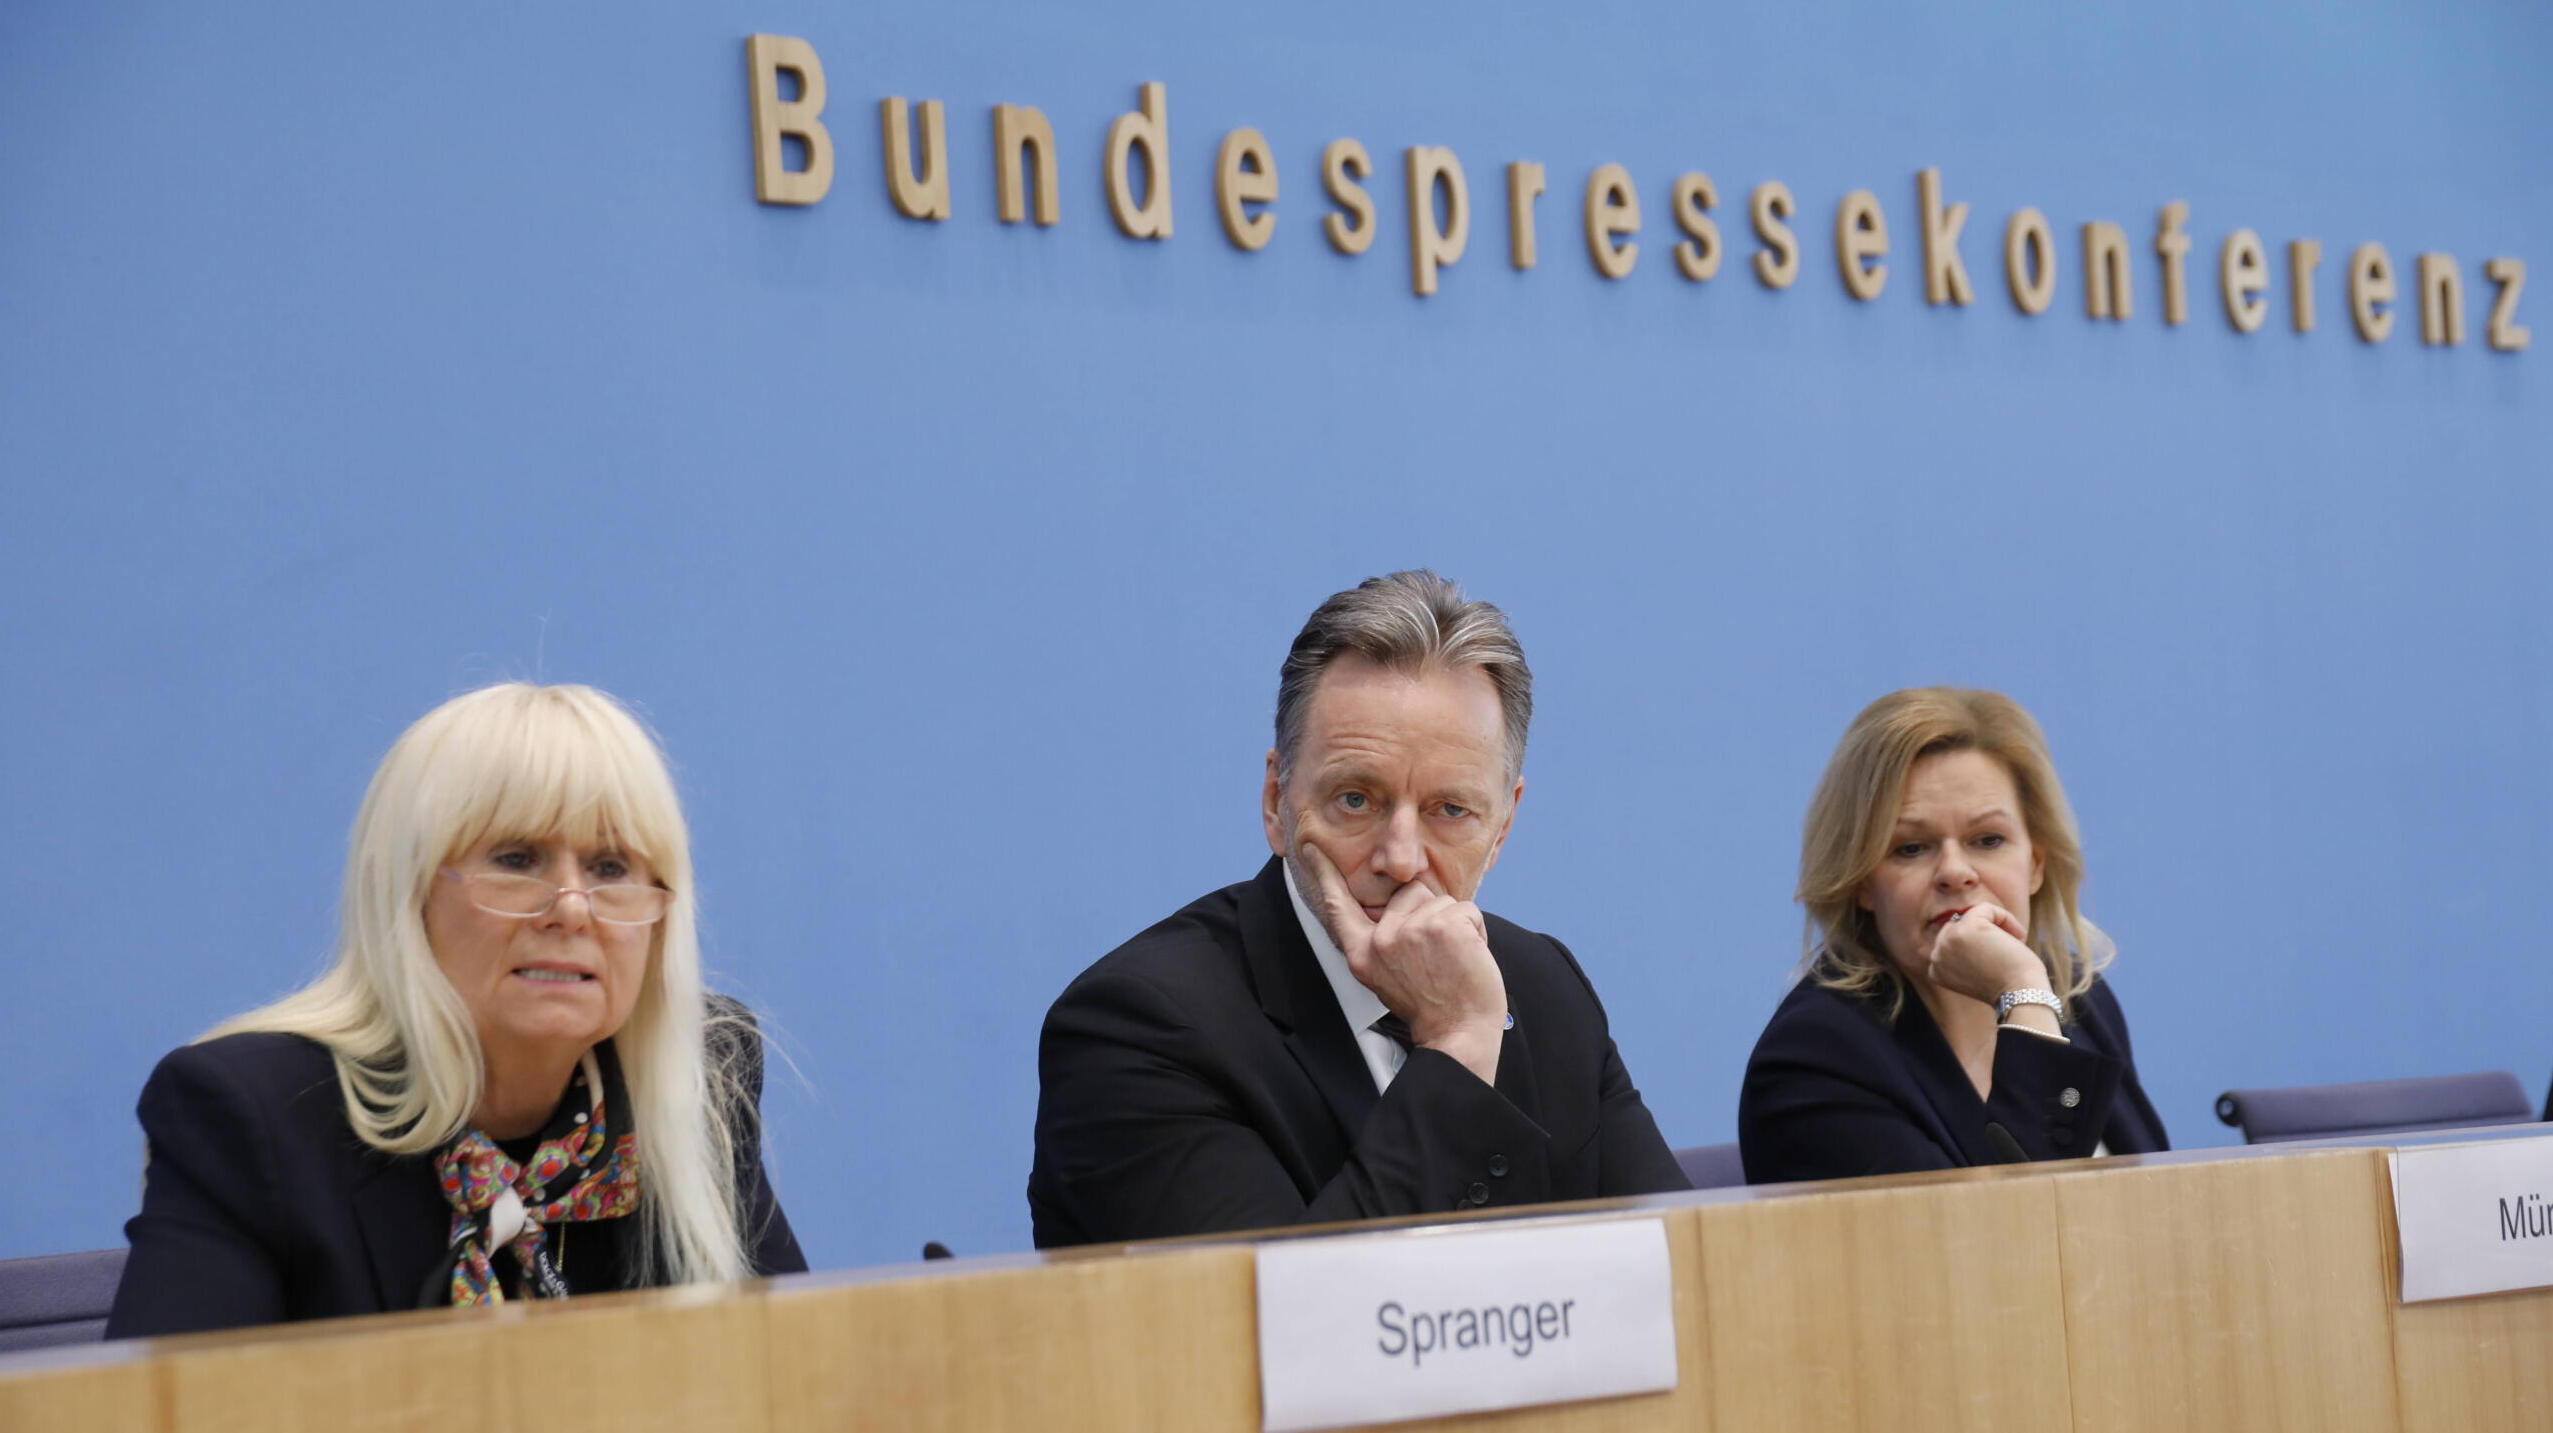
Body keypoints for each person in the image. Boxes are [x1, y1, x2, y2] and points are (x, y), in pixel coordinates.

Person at [107, 683, 805, 1336]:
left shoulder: (698, 1074)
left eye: (611, 868)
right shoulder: (252, 1115)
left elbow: (801, 1388)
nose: (570, 907)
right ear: (409, 899)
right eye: (516, 856)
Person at [1029, 571, 1686, 1247]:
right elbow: (1295, 1330)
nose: (1400, 858)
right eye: (1355, 799)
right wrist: (1457, 1045)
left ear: (1501, 829)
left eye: (1449, 810)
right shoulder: (1138, 1028)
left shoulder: (1541, 986)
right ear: (1274, 802)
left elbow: (1683, 1275)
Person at [1738, 688, 2167, 1183]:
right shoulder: (1817, 1058)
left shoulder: (2077, 994)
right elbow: (2023, 1231)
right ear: (1861, 883)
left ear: (2035, 863)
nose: (1955, 872)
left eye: (1988, 840)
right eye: (1911, 848)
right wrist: (2022, 995)